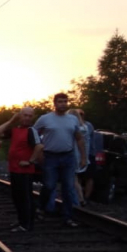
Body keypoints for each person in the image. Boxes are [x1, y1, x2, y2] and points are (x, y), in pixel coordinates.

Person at [34, 93, 87, 227]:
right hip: (50, 156)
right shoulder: (45, 119)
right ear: (55, 103)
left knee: (68, 188)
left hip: (68, 157)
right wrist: (37, 152)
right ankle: (40, 207)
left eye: (65, 101)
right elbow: (34, 134)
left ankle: (68, 217)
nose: (63, 104)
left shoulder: (72, 120)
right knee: (49, 185)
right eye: (60, 101)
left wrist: (83, 157)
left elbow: (79, 138)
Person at [0, 107, 43, 232]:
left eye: (30, 116)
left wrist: (30, 161)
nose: (27, 118)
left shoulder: (31, 130)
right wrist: (12, 120)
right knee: (17, 197)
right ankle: (22, 221)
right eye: (25, 115)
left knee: (25, 198)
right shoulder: (15, 130)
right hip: (15, 169)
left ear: (33, 117)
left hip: (25, 172)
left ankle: (26, 225)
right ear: (20, 116)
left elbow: (39, 146)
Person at [68, 109, 92, 207]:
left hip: (74, 155)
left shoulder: (76, 129)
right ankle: (79, 198)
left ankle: (79, 198)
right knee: (75, 178)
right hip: (82, 155)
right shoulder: (86, 127)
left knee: (73, 178)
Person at [79, 109, 96, 201]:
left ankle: (86, 197)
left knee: (89, 177)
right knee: (78, 176)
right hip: (79, 154)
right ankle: (79, 196)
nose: (80, 116)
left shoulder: (87, 126)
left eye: (82, 114)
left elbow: (83, 136)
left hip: (89, 154)